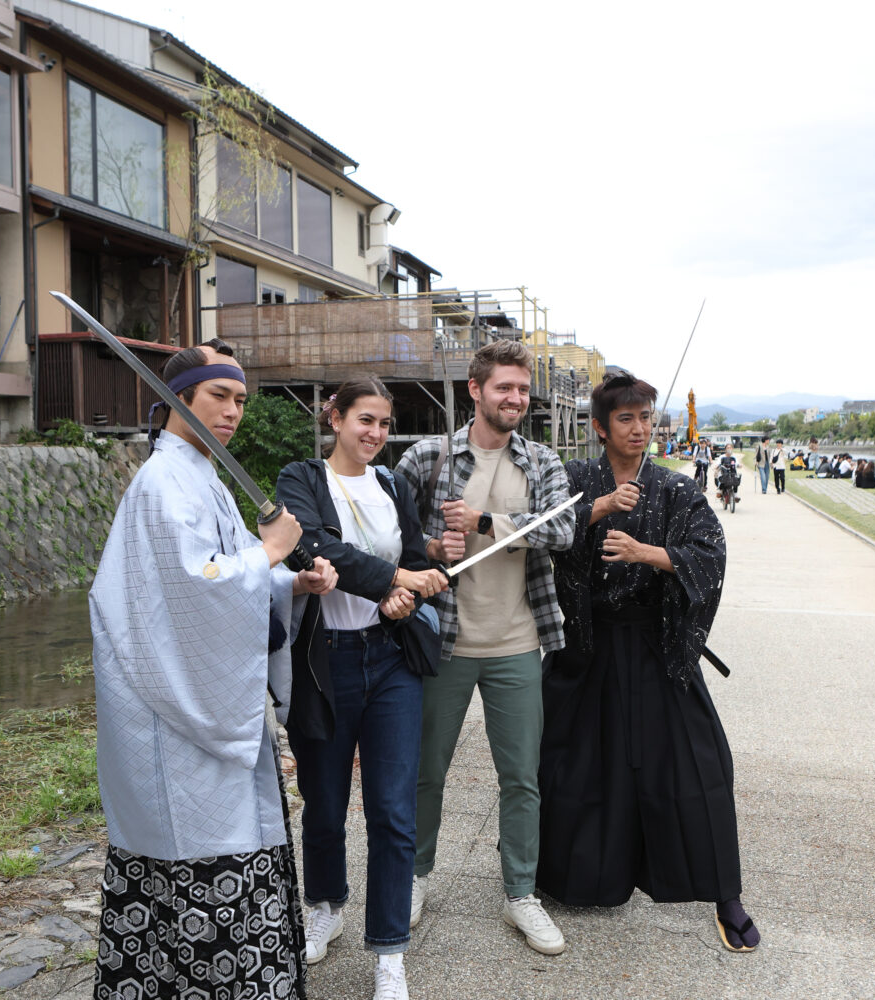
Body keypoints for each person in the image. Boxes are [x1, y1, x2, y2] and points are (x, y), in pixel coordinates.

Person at [88, 342, 337, 1000]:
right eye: (219, 396)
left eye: (241, 401)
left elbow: (225, 578)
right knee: (191, 861)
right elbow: (197, 591)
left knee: (222, 846)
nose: (233, 412)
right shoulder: (163, 482)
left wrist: (286, 582)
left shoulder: (201, 476)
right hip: (173, 721)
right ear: (179, 397)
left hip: (201, 704)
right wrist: (275, 551)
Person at [538, 374, 760, 953]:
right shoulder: (574, 480)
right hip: (588, 644)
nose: (640, 430)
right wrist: (599, 511)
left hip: (657, 644)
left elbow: (709, 555)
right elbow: (545, 540)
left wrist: (646, 553)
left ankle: (724, 894)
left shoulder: (676, 488)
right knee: (580, 763)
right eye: (626, 420)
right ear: (599, 427)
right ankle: (574, 877)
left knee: (699, 762)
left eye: (646, 418)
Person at [396, 339, 576, 955]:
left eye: (523, 389)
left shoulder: (542, 461)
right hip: (443, 643)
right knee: (425, 773)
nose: (516, 399)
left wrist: (481, 525)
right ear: (475, 390)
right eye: (504, 387)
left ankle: (520, 894)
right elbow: (389, 535)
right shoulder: (427, 456)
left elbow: (564, 528)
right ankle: (415, 879)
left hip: (518, 642)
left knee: (522, 777)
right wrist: (427, 548)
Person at [275, 377, 450, 999]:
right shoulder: (300, 478)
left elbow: (409, 552)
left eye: (382, 423)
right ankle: (325, 903)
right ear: (336, 416)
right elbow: (312, 548)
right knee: (322, 801)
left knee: (392, 812)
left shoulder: (391, 484)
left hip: (391, 662)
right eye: (363, 420)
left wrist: (422, 570)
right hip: (325, 664)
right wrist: (396, 576)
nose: (374, 433)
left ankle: (389, 952)